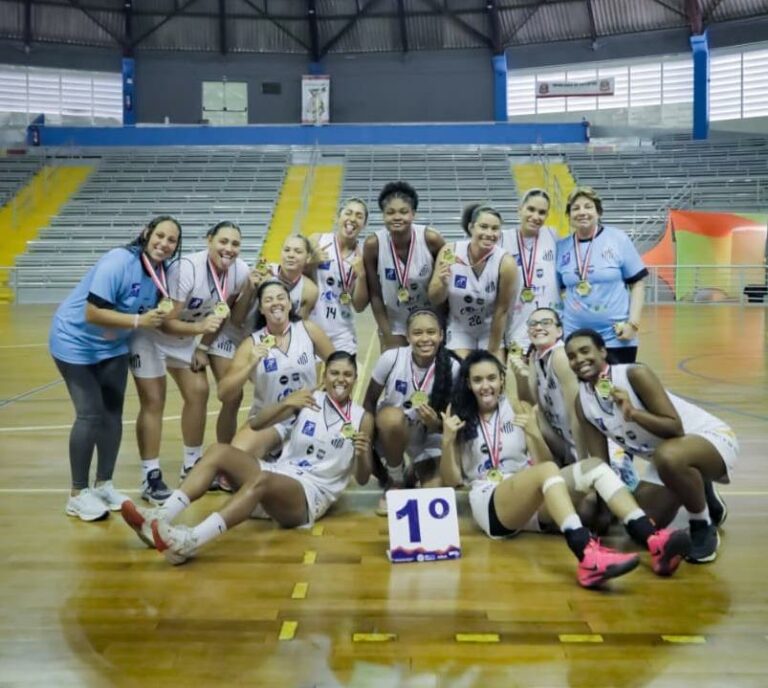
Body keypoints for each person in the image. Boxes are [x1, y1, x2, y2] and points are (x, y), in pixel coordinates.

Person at [440, 350, 691, 588]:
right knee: (549, 470)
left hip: (529, 499)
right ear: (468, 384)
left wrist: (533, 434)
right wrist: (447, 441)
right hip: (490, 501)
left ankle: (651, 538)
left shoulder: (518, 408)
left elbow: (541, 463)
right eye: (478, 380)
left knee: (594, 467)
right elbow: (452, 481)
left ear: (502, 379)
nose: (486, 386)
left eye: (492, 378)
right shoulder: (459, 413)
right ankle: (585, 552)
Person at [120, 352, 374, 565]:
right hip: (280, 472)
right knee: (219, 450)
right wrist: (286, 402)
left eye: (347, 375)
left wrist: (362, 455)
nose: (340, 379)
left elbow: (362, 478)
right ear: (324, 375)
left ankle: (190, 541)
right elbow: (257, 424)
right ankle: (162, 515)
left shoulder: (362, 418)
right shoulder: (308, 400)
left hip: (310, 494)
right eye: (335, 373)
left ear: (355, 378)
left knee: (263, 478)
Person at [564, 328, 736, 563]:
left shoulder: (635, 374)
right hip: (667, 457)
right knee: (641, 524)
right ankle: (698, 484)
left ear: (602, 351)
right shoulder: (582, 402)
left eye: (585, 351)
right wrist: (604, 511)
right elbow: (600, 464)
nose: (579, 359)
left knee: (668, 456)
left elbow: (675, 428)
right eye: (572, 356)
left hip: (709, 438)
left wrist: (633, 413)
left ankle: (702, 524)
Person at [49, 215, 181, 521]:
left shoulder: (161, 272)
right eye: (159, 235)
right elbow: (93, 312)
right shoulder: (118, 260)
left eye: (171, 240)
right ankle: (78, 493)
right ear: (146, 233)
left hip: (112, 346)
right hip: (75, 341)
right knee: (90, 413)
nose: (164, 243)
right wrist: (138, 321)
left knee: (112, 413)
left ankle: (104, 484)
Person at [129, 221, 249, 503]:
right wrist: (200, 331)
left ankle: (191, 464)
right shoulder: (187, 269)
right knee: (154, 401)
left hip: (185, 339)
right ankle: (150, 475)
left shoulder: (239, 271)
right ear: (209, 240)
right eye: (223, 241)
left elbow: (223, 312)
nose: (228, 249)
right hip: (151, 335)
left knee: (199, 392)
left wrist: (204, 347)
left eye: (235, 244)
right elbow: (165, 322)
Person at [215, 280, 335, 462]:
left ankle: (281, 453)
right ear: (261, 309)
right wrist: (250, 365)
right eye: (268, 300)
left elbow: (339, 365)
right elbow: (224, 393)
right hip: (270, 418)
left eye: (281, 298)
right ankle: (274, 450)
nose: (276, 303)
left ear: (289, 304)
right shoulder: (252, 344)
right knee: (237, 457)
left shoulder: (307, 330)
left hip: (308, 414)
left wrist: (323, 392)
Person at [362, 309, 458, 513]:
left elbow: (455, 420)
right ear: (407, 336)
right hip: (392, 434)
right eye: (418, 333)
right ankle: (396, 478)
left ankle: (414, 471)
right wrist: (367, 441)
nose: (425, 339)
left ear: (441, 335)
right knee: (391, 418)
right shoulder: (391, 358)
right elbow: (369, 402)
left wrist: (436, 424)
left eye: (431, 332)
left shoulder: (453, 366)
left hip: (429, 437)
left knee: (434, 492)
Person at [556, 187, 647, 364]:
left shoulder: (618, 239)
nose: (582, 212)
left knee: (618, 388)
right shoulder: (562, 247)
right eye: (576, 208)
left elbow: (637, 283)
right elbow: (559, 289)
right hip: (575, 337)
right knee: (583, 390)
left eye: (588, 207)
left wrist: (633, 324)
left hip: (617, 335)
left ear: (598, 212)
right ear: (569, 215)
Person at [428, 203, 518, 361]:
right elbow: (434, 299)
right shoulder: (450, 251)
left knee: (492, 375)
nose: (489, 233)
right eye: (483, 226)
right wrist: (442, 283)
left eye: (495, 228)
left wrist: (491, 353)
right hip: (459, 327)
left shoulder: (506, 263)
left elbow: (502, 310)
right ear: (471, 227)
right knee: (458, 374)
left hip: (490, 328)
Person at [363, 181, 445, 352]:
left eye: (403, 211)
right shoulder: (373, 245)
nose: (397, 217)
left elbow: (445, 286)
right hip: (395, 320)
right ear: (383, 215)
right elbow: (375, 295)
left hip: (429, 317)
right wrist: (387, 334)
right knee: (394, 370)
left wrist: (442, 324)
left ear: (413, 213)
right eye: (390, 212)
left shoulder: (432, 240)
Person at [500, 189, 562, 352]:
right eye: (531, 209)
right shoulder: (502, 239)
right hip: (517, 324)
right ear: (520, 209)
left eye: (542, 212)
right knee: (520, 373)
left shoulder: (553, 235)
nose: (535, 216)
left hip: (551, 326)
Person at [307, 198, 370, 354]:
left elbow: (359, 306)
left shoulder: (364, 256)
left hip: (342, 332)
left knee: (342, 377)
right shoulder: (317, 240)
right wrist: (310, 262)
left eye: (359, 216)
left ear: (364, 224)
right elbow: (293, 277)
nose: (353, 219)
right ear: (337, 217)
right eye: (348, 213)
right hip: (310, 326)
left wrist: (361, 276)